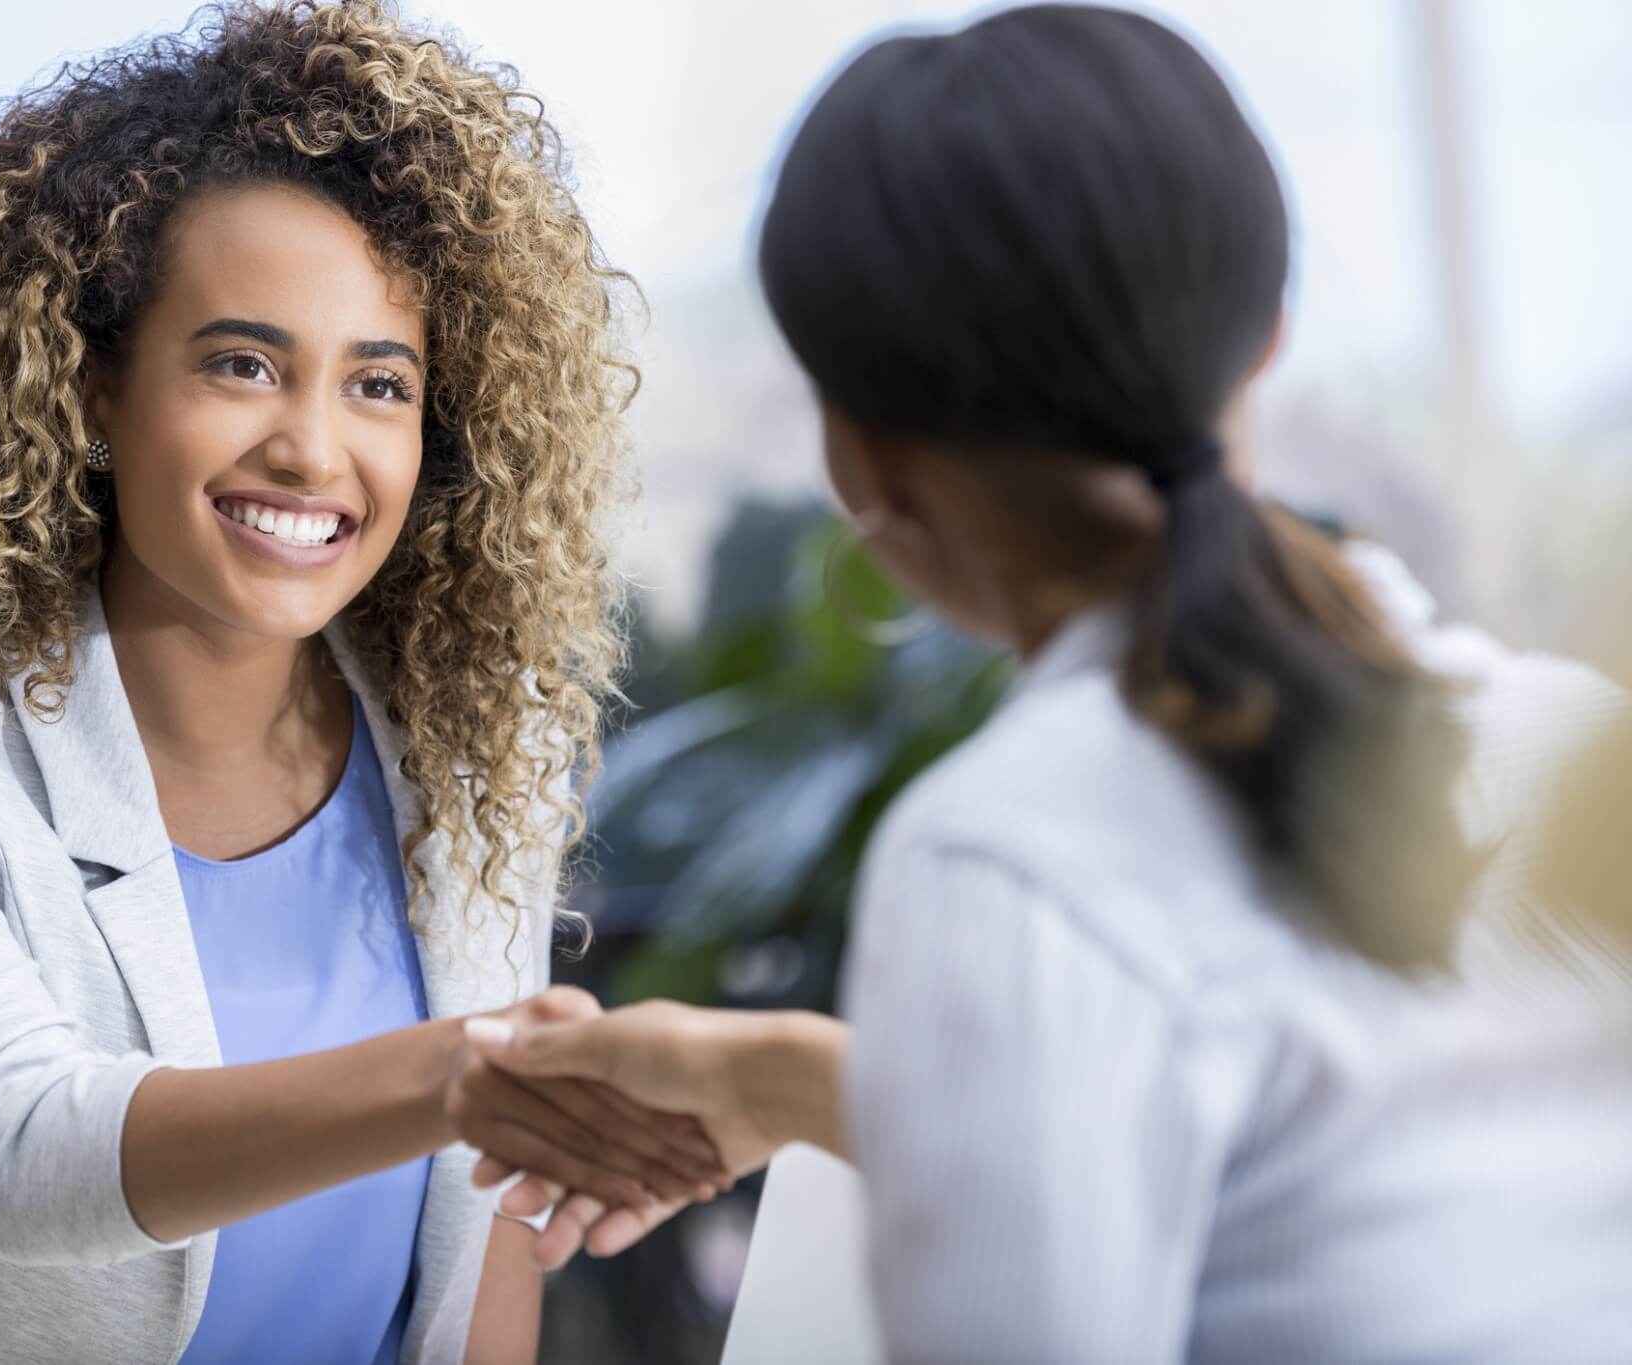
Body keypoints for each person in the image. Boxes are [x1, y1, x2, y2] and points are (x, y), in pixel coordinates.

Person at [463, 6, 1632, 1361]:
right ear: (1266, 337)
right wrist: (769, 1076)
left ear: (861, 464)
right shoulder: (1569, 741)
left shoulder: (1013, 856)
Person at [0, 4, 725, 1363]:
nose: (313, 448)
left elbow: (479, 1257)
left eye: (378, 384)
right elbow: (28, 1152)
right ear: (92, 389)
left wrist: (497, 1101)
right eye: (243, 364)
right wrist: (469, 1074)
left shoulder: (465, 746)